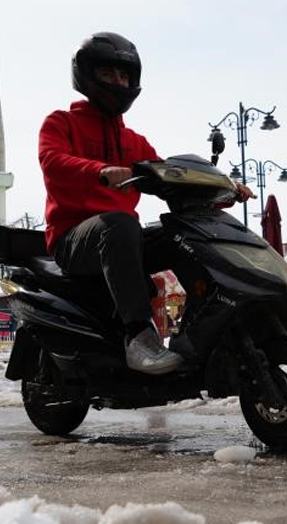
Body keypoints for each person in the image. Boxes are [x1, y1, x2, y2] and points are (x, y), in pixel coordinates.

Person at [38, 32, 253, 375]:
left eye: (124, 76)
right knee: (120, 223)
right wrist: (100, 171)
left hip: (121, 239)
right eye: (109, 74)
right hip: (73, 239)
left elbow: (171, 178)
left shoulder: (133, 140)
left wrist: (222, 188)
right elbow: (53, 161)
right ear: (87, 75)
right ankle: (138, 336)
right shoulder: (61, 122)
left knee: (184, 234)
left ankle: (204, 325)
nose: (118, 82)